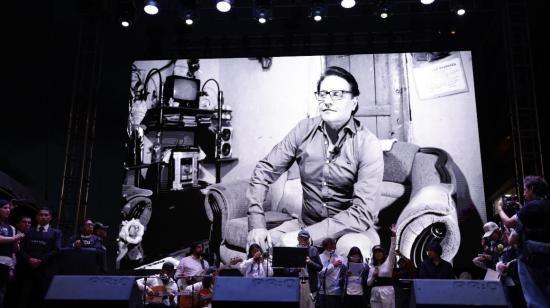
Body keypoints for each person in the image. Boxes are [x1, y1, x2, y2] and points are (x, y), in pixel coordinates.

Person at [246, 66, 384, 256]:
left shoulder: (368, 144)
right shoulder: (303, 130)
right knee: (261, 249)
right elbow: (264, 169)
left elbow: (362, 213)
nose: (327, 101)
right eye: (322, 94)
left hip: (352, 231)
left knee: (351, 251)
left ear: (353, 102)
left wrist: (305, 236)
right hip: (306, 223)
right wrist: (256, 222)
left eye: (337, 94)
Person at [497, 175, 550, 307]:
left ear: (532, 189)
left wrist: (499, 209)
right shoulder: (547, 206)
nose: (524, 193)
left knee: (534, 298)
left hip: (530, 257)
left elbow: (509, 223)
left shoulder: (531, 207)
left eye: (525, 190)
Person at [16, 207, 62, 308]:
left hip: (45, 271)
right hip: (27, 270)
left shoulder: (56, 233)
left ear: (50, 218)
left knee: (42, 297)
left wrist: (41, 260)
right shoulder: (28, 231)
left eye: (46, 215)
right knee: (24, 297)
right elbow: (21, 249)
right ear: (36, 217)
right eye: (41, 215)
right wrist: (29, 259)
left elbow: (57, 250)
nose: (43, 217)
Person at [0, 200, 24, 308]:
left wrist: (16, 242)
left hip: (6, 263)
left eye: (9, 208)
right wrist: (14, 238)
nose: (8, 210)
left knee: (2, 291)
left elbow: (14, 250)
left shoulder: (12, 228)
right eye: (5, 208)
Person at [366, 224, 397, 308]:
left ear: (383, 253)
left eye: (379, 252)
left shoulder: (388, 262)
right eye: (376, 252)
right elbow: (368, 283)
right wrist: (373, 276)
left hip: (387, 290)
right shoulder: (372, 267)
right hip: (375, 291)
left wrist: (394, 235)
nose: (378, 254)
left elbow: (393, 249)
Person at [318, 238, 346, 308]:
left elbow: (344, 273)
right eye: (330, 246)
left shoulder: (341, 258)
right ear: (325, 246)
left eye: (334, 245)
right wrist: (333, 265)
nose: (333, 248)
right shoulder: (320, 257)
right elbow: (321, 273)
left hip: (337, 292)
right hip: (324, 292)